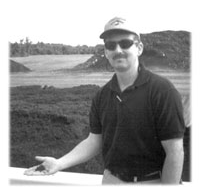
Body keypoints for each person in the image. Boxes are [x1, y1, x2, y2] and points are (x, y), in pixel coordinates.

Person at [24, 17, 185, 184]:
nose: (117, 50)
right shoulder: (102, 95)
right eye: (110, 45)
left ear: (139, 48)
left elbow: (175, 152)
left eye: (125, 43)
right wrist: (59, 163)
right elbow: (95, 141)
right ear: (106, 52)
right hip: (111, 181)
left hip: (150, 183)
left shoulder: (162, 91)